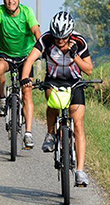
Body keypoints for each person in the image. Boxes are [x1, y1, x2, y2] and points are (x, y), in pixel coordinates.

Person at [20, 11, 94, 187]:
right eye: (56, 38)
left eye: (63, 38)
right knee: (52, 101)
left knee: (78, 124)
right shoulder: (45, 40)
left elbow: (89, 70)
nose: (59, 42)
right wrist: (25, 80)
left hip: (74, 81)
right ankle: (51, 133)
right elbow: (30, 60)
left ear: (70, 34)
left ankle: (80, 172)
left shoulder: (80, 42)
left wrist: (75, 55)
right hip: (53, 80)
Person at [0, 0, 42, 149]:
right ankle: (1, 98)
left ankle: (28, 133)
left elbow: (36, 30)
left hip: (26, 58)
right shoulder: (0, 11)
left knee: (27, 92)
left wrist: (42, 47)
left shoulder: (27, 12)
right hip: (6, 55)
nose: (10, 1)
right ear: (4, 0)